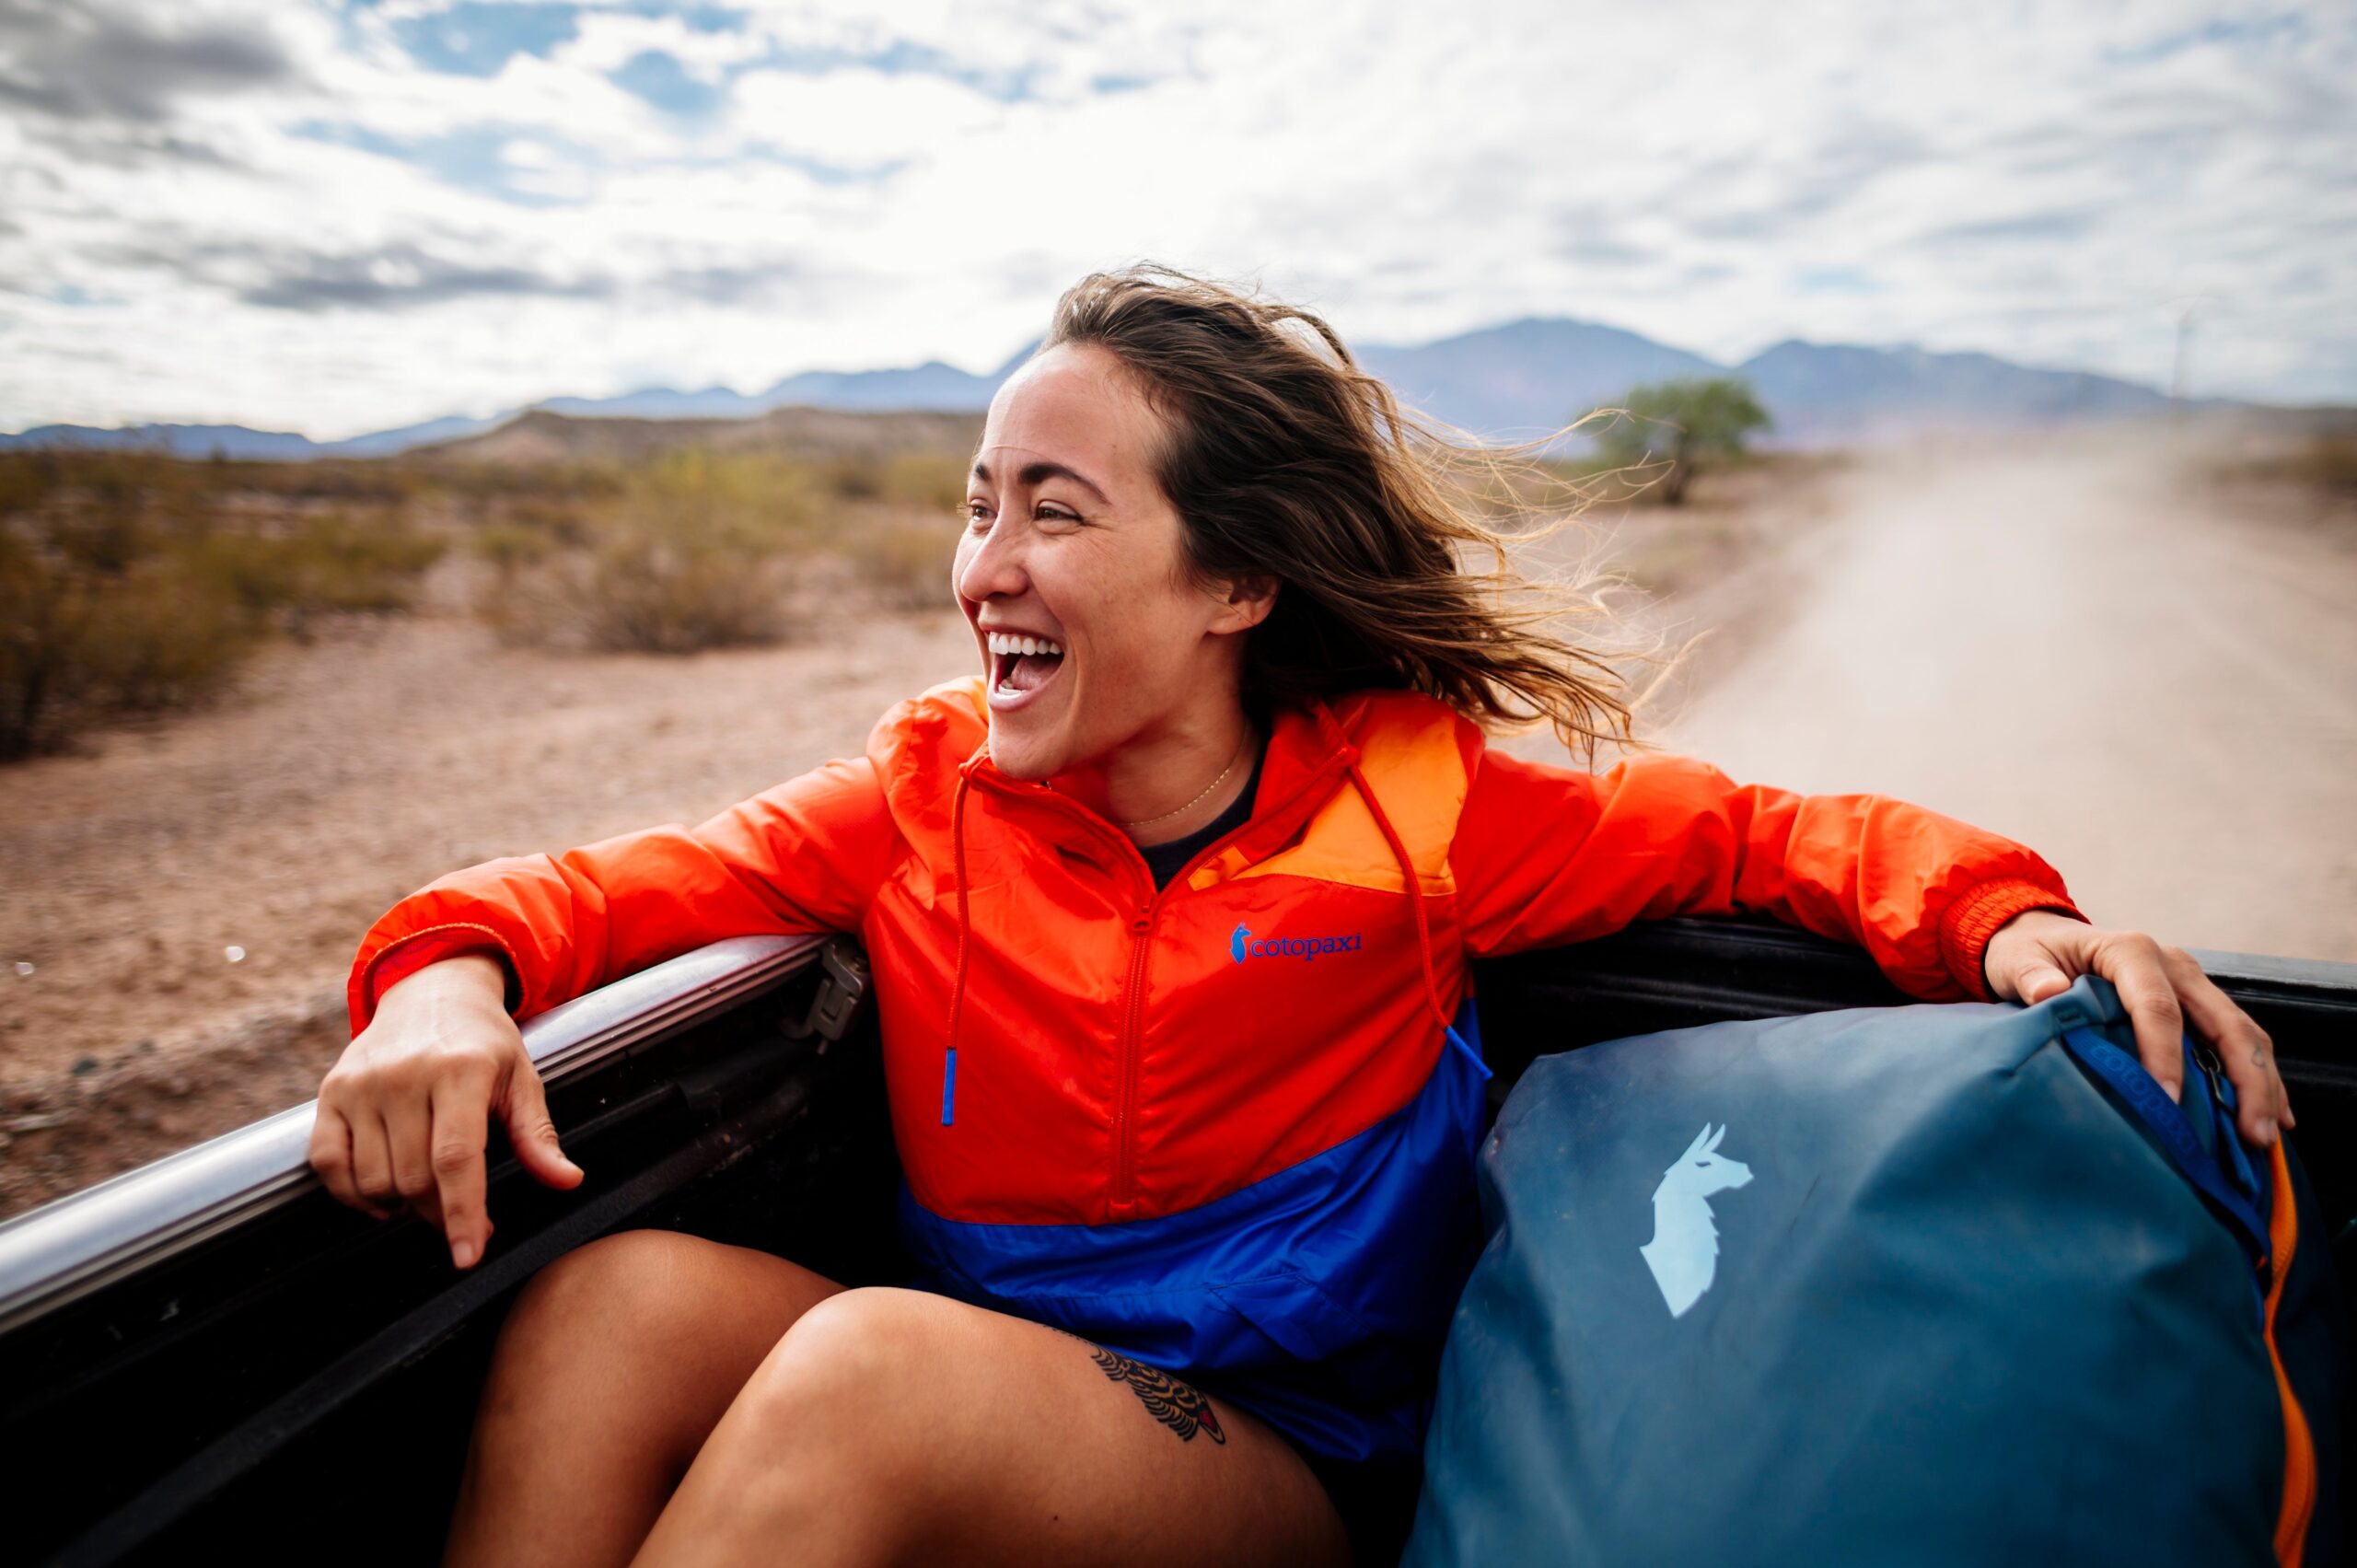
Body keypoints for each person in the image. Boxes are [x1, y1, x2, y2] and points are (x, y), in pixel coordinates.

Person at [309, 263, 2293, 1568]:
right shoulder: (920, 802)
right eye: (977, 499)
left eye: (1056, 511)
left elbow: (1754, 835)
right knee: (609, 1303)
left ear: (1233, 588)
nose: (982, 563)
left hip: (1272, 1467)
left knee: (867, 1373)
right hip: (987, 1386)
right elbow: (593, 887)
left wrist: (2000, 921)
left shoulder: (1414, 811)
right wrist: (441, 985)